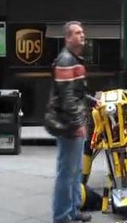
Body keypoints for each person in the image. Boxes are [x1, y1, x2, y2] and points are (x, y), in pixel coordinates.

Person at [51, 21, 99, 223]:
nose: (82, 35)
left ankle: (73, 210)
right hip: (69, 126)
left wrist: (92, 100)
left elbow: (77, 92)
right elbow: (67, 98)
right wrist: (78, 124)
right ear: (68, 38)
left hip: (75, 123)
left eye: (82, 32)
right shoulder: (65, 60)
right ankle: (62, 216)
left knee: (76, 170)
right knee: (66, 172)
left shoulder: (73, 59)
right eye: (77, 33)